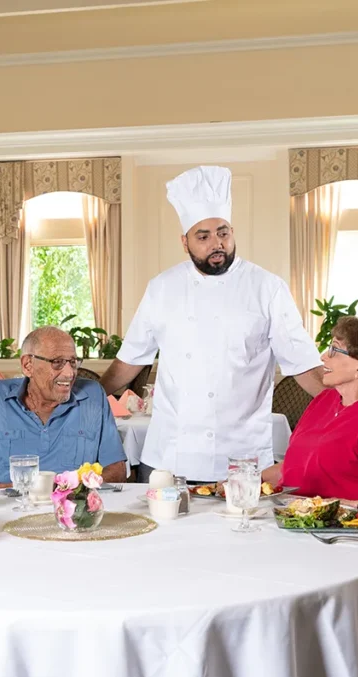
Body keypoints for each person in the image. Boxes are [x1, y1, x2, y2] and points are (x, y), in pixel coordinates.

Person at [101, 165, 324, 483]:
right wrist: (91, 395)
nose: (216, 244)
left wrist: (351, 403)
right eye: (203, 237)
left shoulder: (267, 287)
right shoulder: (162, 288)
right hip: (171, 454)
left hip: (242, 456)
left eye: (223, 232)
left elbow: (302, 364)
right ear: (185, 242)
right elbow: (131, 360)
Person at [261, 316, 358, 503]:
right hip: (290, 516)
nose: (323, 356)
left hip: (337, 526)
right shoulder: (325, 400)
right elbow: (291, 468)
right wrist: (245, 482)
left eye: (334, 349)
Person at [0, 326, 127, 489]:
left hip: (71, 508)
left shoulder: (93, 396)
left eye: (73, 362)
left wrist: (70, 489)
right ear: (28, 365)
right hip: (6, 506)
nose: (69, 373)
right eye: (57, 362)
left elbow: (117, 469)